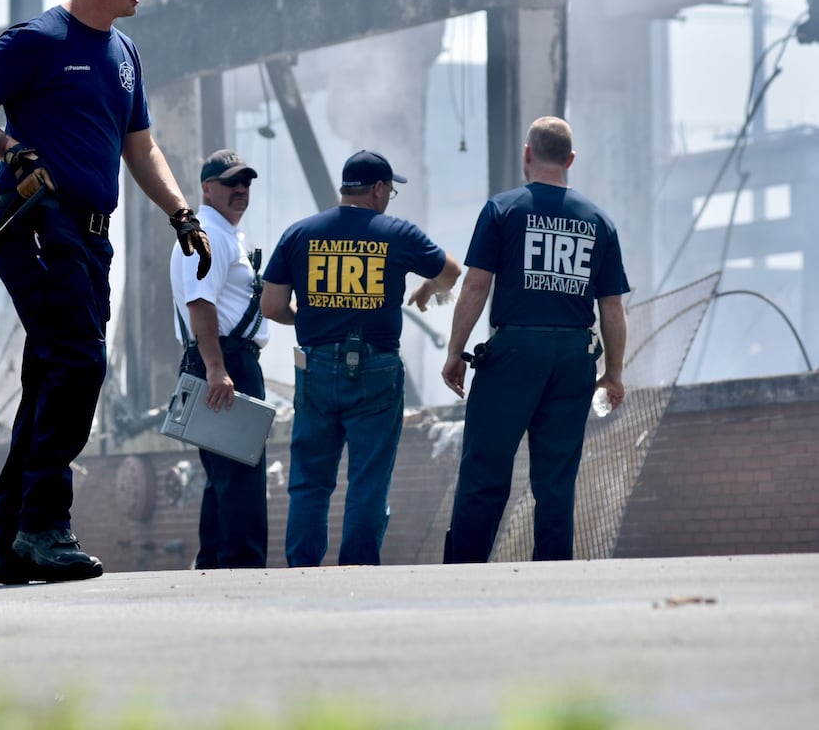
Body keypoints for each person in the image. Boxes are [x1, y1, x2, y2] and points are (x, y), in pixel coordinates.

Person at [0, 0, 213, 585]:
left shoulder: (124, 53)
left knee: (50, 377)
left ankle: (12, 540)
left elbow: (139, 147)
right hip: (37, 224)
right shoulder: (37, 40)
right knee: (79, 365)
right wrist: (12, 150)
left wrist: (180, 212)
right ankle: (43, 527)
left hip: (91, 237)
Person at [441, 116, 629, 563]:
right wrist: (614, 372)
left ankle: (463, 570)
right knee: (556, 479)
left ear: (527, 154)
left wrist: (455, 351)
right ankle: (554, 572)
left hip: (513, 354)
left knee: (485, 470)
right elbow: (612, 307)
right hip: (573, 358)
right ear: (570, 160)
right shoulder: (599, 220)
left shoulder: (502, 209)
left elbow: (474, 285)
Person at [261, 150, 460, 567]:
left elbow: (272, 305)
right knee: (368, 480)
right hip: (377, 369)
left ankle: (301, 570)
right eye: (389, 190)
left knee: (310, 482)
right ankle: (358, 570)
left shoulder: (299, 234)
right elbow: (451, 272)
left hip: (315, 367)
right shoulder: (396, 232)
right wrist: (426, 289)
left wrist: (316, 319)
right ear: (378, 189)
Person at [169, 148, 271, 569]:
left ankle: (216, 562)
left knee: (225, 477)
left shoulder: (220, 234)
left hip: (222, 360)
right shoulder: (207, 235)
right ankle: (240, 567)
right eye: (231, 182)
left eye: (245, 182)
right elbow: (200, 305)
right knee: (240, 477)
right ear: (207, 189)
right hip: (226, 362)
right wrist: (216, 369)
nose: (241, 190)